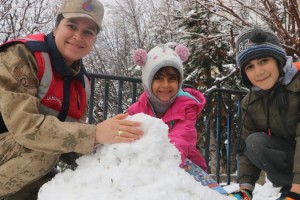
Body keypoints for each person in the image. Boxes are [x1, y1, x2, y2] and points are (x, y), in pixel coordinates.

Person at [0, 0, 143, 199]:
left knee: (72, 189)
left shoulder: (82, 83)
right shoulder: (21, 56)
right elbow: (26, 128)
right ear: (57, 26)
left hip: (23, 164)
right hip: (16, 149)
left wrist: (113, 158)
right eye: (72, 26)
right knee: (46, 148)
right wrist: (94, 134)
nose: (78, 36)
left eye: (88, 32)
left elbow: (72, 140)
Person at [128, 44, 229, 194]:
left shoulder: (186, 106)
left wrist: (165, 160)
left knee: (209, 194)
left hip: (183, 162)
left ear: (179, 80)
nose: (165, 85)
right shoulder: (137, 109)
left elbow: (182, 136)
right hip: (147, 164)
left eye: (172, 78)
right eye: (158, 78)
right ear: (147, 82)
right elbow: (126, 133)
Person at [228, 27, 300, 200]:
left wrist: (297, 192)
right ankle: (288, 186)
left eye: (264, 60)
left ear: (278, 60)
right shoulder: (250, 102)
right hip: (290, 157)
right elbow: (245, 147)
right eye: (249, 67)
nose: (258, 72)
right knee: (254, 142)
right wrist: (245, 189)